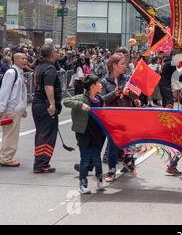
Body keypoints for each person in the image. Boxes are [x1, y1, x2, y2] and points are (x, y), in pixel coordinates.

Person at [63, 75, 107, 194]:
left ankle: (100, 180)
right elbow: (66, 101)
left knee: (97, 159)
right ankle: (83, 184)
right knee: (85, 159)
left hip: (98, 135)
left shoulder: (101, 99)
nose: (101, 85)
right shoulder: (81, 98)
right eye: (99, 83)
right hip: (84, 134)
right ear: (93, 86)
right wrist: (80, 105)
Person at [102, 53, 141, 182]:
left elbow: (136, 95)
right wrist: (116, 93)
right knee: (113, 144)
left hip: (127, 116)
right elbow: (102, 100)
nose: (124, 66)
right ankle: (111, 170)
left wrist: (132, 97)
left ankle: (129, 162)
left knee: (130, 142)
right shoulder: (103, 82)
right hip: (112, 118)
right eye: (122, 64)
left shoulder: (128, 78)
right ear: (114, 65)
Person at [32, 44, 62, 174]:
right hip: (45, 105)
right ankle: (41, 164)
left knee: (41, 133)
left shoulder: (39, 67)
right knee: (47, 135)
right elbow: (48, 87)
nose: (58, 53)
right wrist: (52, 105)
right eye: (56, 51)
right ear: (51, 54)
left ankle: (40, 162)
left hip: (37, 104)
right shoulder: (50, 68)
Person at [0, 52, 28, 167]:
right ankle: (6, 158)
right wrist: (1, 109)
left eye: (26, 58)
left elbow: (20, 93)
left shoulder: (19, 72)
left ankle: (5, 156)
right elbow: (4, 91)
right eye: (22, 58)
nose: (25, 60)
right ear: (15, 60)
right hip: (11, 109)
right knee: (11, 135)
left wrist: (23, 109)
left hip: (15, 109)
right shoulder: (12, 72)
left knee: (10, 134)